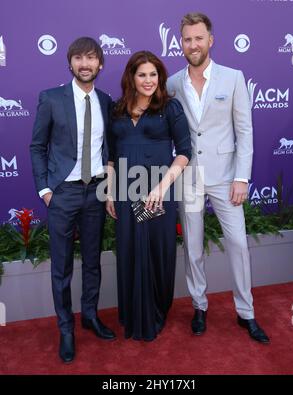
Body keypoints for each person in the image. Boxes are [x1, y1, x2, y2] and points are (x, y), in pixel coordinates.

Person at [167, 13, 270, 343]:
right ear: (180, 43)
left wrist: (242, 177)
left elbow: (244, 130)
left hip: (227, 177)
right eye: (187, 39)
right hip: (189, 178)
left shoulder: (233, 77)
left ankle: (246, 312)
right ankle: (199, 306)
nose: (193, 44)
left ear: (210, 40)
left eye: (199, 38)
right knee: (193, 247)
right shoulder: (171, 84)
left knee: (238, 244)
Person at [30, 37, 116, 363]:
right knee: (62, 266)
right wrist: (45, 190)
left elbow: (109, 147)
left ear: (100, 64)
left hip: (95, 191)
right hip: (63, 193)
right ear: (70, 64)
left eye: (91, 58)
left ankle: (90, 316)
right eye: (78, 58)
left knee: (93, 260)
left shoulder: (107, 101)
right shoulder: (51, 99)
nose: (85, 64)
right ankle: (66, 328)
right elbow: (37, 146)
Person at [106, 51, 191, 341]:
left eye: (153, 74)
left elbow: (184, 153)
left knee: (156, 250)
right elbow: (111, 155)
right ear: (131, 76)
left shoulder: (169, 108)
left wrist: (161, 187)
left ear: (160, 77)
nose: (148, 80)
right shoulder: (116, 110)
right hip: (125, 192)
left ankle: (155, 311)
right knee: (130, 249)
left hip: (157, 192)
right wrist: (109, 192)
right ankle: (132, 314)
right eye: (142, 74)